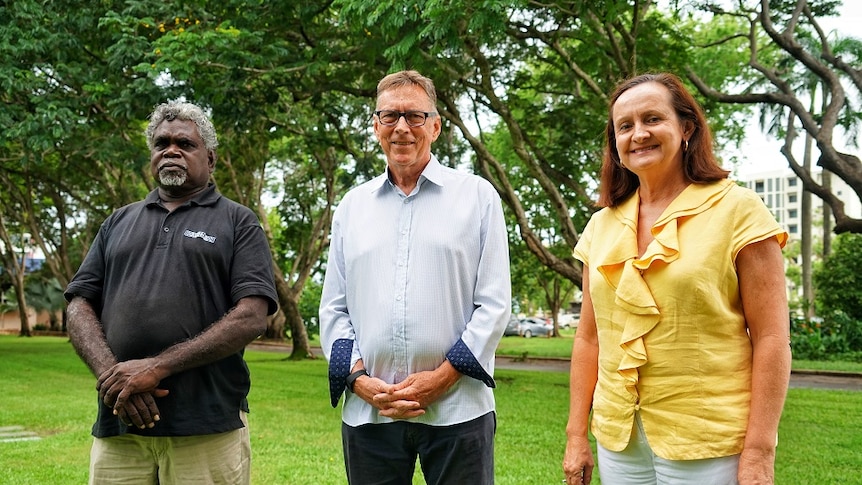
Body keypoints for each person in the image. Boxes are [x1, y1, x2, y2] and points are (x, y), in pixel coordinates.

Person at [562, 73, 791, 485]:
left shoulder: (738, 209)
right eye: (625, 126)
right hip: (619, 439)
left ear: (686, 128)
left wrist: (759, 451)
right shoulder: (601, 225)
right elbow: (589, 338)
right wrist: (576, 433)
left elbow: (772, 337)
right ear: (615, 143)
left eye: (653, 119)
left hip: (709, 439)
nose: (639, 134)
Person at [65, 101, 278, 485]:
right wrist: (116, 380)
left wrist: (156, 367)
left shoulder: (237, 221)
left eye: (185, 143)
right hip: (120, 427)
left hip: (206, 425)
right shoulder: (118, 221)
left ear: (210, 159)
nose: (171, 150)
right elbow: (79, 304)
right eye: (161, 143)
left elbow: (252, 315)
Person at [319, 70, 511, 484]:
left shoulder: (478, 198)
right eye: (390, 116)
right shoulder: (351, 208)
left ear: (436, 126)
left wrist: (441, 379)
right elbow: (334, 308)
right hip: (371, 410)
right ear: (376, 126)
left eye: (415, 116)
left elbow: (494, 305)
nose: (402, 127)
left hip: (459, 407)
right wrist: (358, 381)